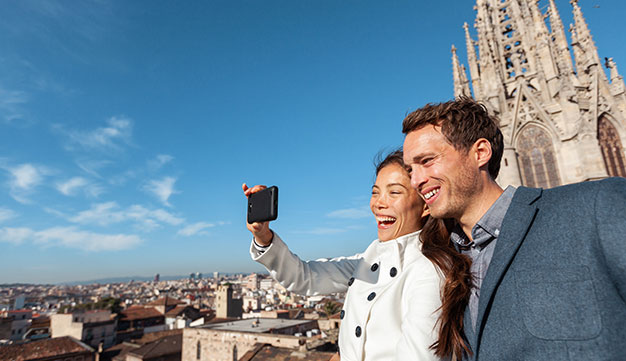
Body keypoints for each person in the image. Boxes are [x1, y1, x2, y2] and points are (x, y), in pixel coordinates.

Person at [401, 96, 626, 360]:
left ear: (480, 153)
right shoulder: (442, 261)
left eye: (427, 161)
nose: (416, 180)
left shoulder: (595, 205)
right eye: (410, 170)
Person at [242, 150, 472, 361]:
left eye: (394, 192)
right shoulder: (371, 257)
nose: (379, 204)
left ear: (425, 206)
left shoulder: (429, 269)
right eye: (375, 192)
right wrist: (263, 236)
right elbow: (305, 277)